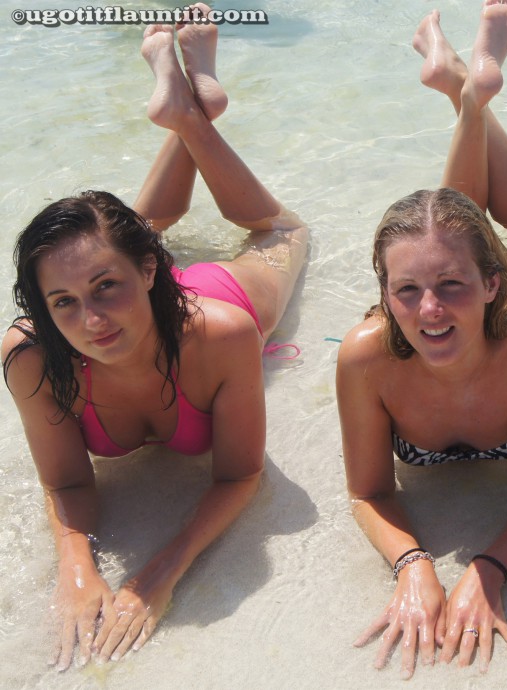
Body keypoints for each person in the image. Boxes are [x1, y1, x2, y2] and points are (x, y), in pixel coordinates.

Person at [1, 4, 307, 671]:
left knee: (284, 232)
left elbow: (241, 473)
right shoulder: (30, 353)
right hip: (142, 276)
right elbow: (67, 485)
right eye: (64, 303)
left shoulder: (222, 333)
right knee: (110, 241)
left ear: (150, 276)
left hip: (208, 299)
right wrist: (77, 571)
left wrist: (157, 574)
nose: (90, 321)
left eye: (104, 291)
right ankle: (186, 103)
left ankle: (190, 109)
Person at [336, 0, 507, 677]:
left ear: (493, 287)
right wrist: (413, 566)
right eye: (406, 291)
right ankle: (464, 90)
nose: (429, 312)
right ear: (384, 295)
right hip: (467, 259)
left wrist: (490, 568)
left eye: (451, 289)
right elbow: (366, 494)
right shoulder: (367, 355)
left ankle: (467, 94)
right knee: (443, 236)